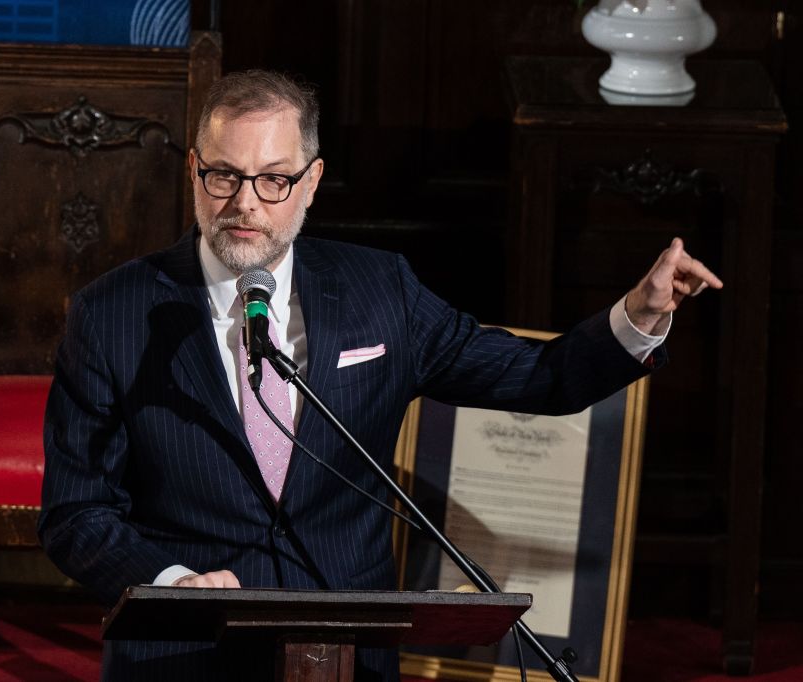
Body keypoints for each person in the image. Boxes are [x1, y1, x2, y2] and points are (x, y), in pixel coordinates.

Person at [38, 69, 722, 681]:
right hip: (183, 653)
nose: (245, 202)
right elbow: (75, 514)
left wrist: (638, 314)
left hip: (348, 645)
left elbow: (540, 377)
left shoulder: (380, 291)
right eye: (224, 175)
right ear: (193, 171)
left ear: (310, 181)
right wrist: (171, 581)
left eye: (274, 178)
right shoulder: (114, 313)